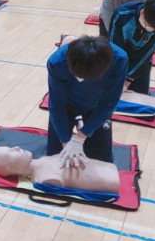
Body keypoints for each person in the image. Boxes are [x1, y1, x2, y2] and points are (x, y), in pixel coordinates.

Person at [47, 35, 127, 165]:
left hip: (96, 105)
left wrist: (80, 137)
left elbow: (109, 102)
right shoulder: (57, 62)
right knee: (54, 158)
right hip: (67, 105)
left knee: (102, 160)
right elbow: (56, 105)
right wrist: (65, 142)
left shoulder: (119, 59)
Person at [109, 0, 155, 95]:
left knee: (141, 96)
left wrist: (128, 79)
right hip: (119, 52)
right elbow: (114, 48)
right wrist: (116, 74)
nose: (152, 30)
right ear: (142, 13)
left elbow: (146, 54)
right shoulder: (122, 14)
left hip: (141, 62)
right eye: (150, 25)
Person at [0, 146, 120, 195]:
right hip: (111, 181)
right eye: (10, 152)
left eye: (10, 147)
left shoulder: (43, 161)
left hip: (108, 169)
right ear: (9, 168)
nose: (16, 147)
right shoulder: (43, 178)